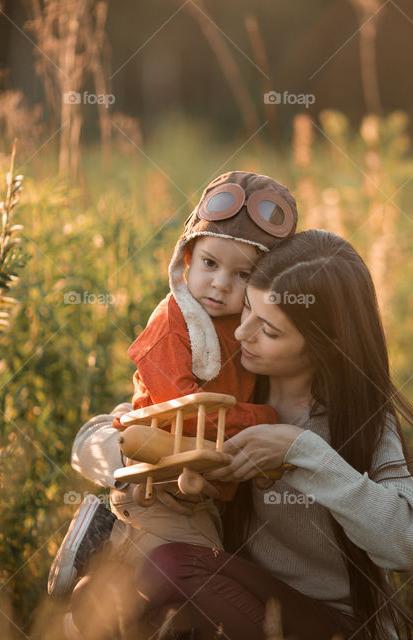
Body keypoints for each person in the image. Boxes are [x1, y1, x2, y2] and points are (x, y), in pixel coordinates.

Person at [70, 230, 413, 640]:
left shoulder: (359, 420)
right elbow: (92, 440)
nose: (242, 333)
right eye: (246, 309)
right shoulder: (234, 386)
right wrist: (154, 459)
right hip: (225, 592)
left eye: (270, 331)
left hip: (333, 625)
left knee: (173, 566)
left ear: (325, 346)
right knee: (98, 598)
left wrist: (302, 452)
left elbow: (409, 545)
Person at [48, 171, 299, 601]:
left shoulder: (240, 327)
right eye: (210, 264)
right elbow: (180, 407)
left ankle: (100, 574)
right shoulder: (174, 321)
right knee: (197, 568)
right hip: (157, 475)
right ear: (186, 260)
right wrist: (267, 421)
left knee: (147, 590)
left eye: (243, 275)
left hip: (201, 481)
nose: (221, 283)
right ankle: (110, 543)